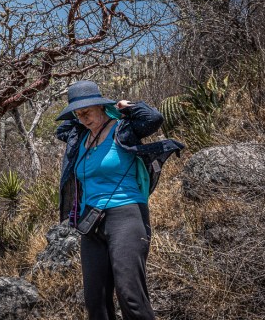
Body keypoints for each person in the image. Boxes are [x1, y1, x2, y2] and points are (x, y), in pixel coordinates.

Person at [56, 79, 176, 320]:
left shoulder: (123, 129)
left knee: (130, 294)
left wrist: (125, 107)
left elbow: (153, 119)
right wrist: (77, 113)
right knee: (95, 300)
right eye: (78, 114)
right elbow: (61, 130)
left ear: (101, 106)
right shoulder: (79, 137)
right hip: (91, 221)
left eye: (87, 112)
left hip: (126, 215)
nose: (83, 118)